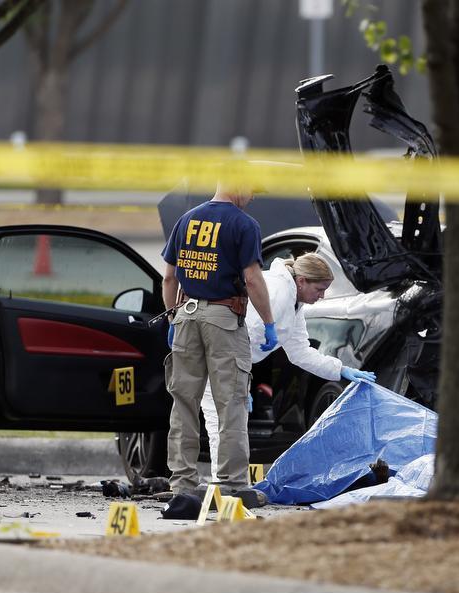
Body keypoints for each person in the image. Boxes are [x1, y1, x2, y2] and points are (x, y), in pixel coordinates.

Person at [203, 253, 377, 476]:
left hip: (233, 361)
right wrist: (242, 381)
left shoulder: (295, 302)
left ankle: (229, 485)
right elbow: (240, 338)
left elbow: (300, 352)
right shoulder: (276, 293)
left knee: (230, 426)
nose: (322, 296)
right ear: (302, 281)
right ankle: (225, 487)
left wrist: (340, 369)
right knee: (223, 424)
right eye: (319, 289)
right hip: (220, 357)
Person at [161, 181, 278, 501]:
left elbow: (169, 277)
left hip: (186, 315)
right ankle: (232, 483)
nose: (252, 196)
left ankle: (182, 484)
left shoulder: (186, 220)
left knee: (183, 403)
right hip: (224, 320)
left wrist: (173, 318)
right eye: (252, 190)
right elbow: (253, 279)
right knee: (231, 404)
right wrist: (269, 323)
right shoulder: (244, 224)